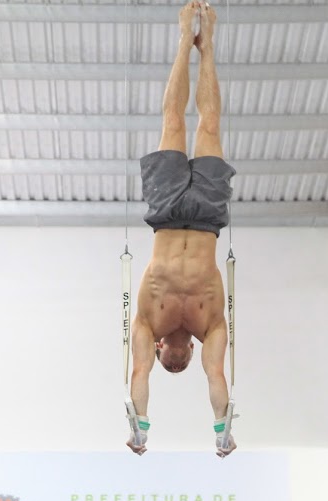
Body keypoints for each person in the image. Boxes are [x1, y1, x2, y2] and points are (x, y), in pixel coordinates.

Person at [128, 1, 236, 458]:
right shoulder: (208, 327)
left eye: (166, 359)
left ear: (156, 350)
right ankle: (206, 47)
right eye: (181, 360)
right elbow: (217, 377)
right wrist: (221, 431)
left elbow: (137, 378)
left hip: (168, 213)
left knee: (171, 122)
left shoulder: (147, 322)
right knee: (209, 125)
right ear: (190, 354)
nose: (176, 356)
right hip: (208, 219)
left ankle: (182, 40)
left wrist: (140, 430)